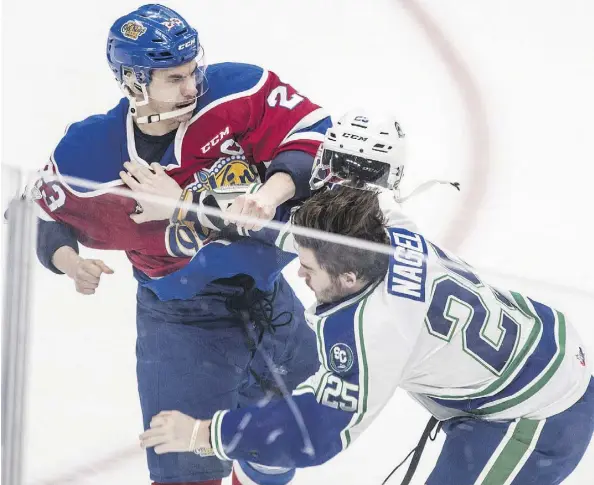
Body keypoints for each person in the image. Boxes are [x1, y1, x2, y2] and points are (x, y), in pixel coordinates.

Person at [139, 111, 594, 485]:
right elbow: (300, 228)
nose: (299, 271)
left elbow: (314, 434)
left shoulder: (373, 329)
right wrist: (187, 205)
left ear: (350, 276)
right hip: (537, 345)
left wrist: (202, 432)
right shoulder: (383, 223)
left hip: (536, 414)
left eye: (310, 269)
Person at [32, 4, 332, 485]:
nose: (193, 87)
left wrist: (266, 193)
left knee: (283, 443)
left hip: (267, 296)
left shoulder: (237, 91)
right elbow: (40, 214)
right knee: (186, 468)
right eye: (175, 79)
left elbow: (312, 139)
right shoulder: (90, 152)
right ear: (134, 82)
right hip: (182, 321)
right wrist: (69, 261)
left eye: (194, 71)